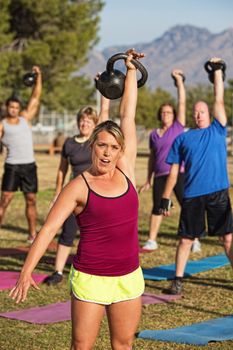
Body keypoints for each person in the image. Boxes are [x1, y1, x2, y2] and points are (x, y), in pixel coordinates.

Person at [9, 49, 145, 350]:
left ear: (120, 151)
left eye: (113, 147)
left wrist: (131, 70)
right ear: (92, 147)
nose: (107, 152)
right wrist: (26, 271)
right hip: (91, 278)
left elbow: (128, 115)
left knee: (123, 345)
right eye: (102, 146)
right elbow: (47, 230)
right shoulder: (79, 186)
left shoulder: (126, 170)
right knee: (81, 347)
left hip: (128, 277)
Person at [159, 57, 233, 295]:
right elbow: (172, 172)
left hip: (218, 192)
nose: (199, 114)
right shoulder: (182, 138)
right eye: (196, 112)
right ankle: (177, 280)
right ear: (192, 115)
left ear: (209, 113)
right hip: (192, 195)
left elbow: (218, 98)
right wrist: (165, 197)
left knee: (228, 239)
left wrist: (218, 71)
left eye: (203, 111)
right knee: (185, 241)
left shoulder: (217, 129)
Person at [45, 96, 110, 286]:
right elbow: (62, 169)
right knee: (68, 231)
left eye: (89, 121)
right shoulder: (69, 143)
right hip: (75, 194)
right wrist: (58, 192)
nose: (84, 124)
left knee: (97, 232)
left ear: (94, 124)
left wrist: (104, 93)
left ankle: (102, 266)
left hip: (96, 193)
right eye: (82, 120)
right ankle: (57, 271)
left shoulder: (97, 142)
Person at [139, 69, 189, 250]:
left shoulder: (178, 127)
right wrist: (148, 179)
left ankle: (192, 238)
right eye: (163, 112)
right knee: (157, 207)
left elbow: (182, 102)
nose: (165, 115)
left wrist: (179, 81)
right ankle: (152, 240)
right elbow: (152, 158)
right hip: (160, 174)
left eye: (169, 112)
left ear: (174, 115)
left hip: (179, 173)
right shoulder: (154, 135)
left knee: (186, 205)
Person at [0, 66, 42, 243]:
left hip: (29, 166)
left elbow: (35, 97)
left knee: (31, 199)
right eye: (11, 107)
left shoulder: (25, 118)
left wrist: (38, 76)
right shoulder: (2, 124)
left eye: (16, 107)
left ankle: (32, 234)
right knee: (5, 199)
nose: (14, 110)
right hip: (12, 166)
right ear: (7, 108)